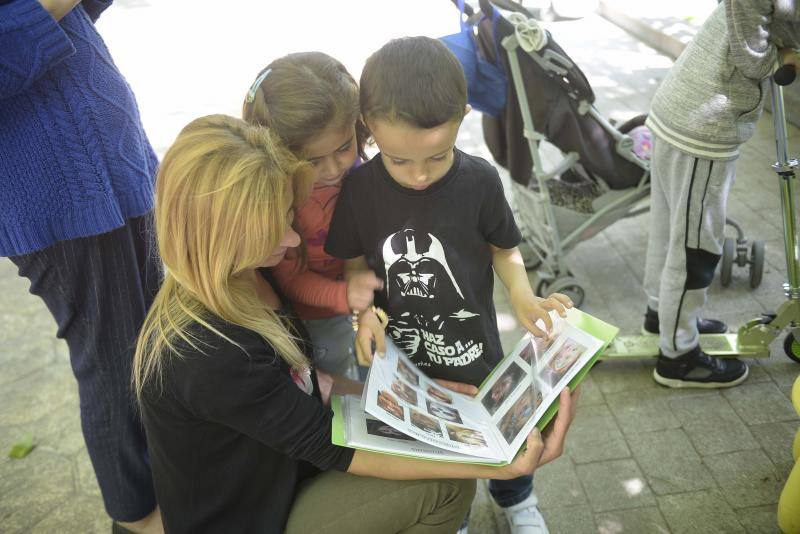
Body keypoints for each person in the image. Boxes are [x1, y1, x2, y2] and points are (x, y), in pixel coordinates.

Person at [133, 114, 579, 534]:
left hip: (285, 474)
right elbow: (331, 446)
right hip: (255, 516)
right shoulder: (208, 353)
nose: (292, 242)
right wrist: (494, 464)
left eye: (288, 218)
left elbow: (307, 384)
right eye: (272, 231)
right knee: (449, 486)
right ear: (221, 239)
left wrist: (430, 399)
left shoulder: (247, 275)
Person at [325, 36, 574, 534]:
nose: (418, 176)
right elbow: (353, 263)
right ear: (369, 127)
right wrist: (364, 314)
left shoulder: (480, 181)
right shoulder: (359, 189)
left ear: (462, 118)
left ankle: (516, 499)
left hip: (473, 349)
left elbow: (502, 248)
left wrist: (522, 296)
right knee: (426, 446)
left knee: (505, 432)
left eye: (436, 158)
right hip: (400, 362)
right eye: (399, 160)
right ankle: (452, 512)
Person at [0, 1, 161, 531]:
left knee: (159, 346)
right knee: (115, 366)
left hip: (119, 169)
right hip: (57, 201)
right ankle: (136, 519)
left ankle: (172, 485)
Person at [643, 0, 800, 388]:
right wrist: (787, 56)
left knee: (670, 233)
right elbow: (752, 59)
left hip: (683, 110)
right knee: (695, 248)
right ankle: (677, 356)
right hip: (703, 125)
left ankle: (661, 317)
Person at [242, 52, 383, 379]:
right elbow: (290, 278)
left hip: (367, 299)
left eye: (344, 147)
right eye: (313, 161)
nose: (334, 169)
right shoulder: (280, 203)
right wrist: (344, 296)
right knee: (343, 386)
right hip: (318, 319)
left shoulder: (359, 171)